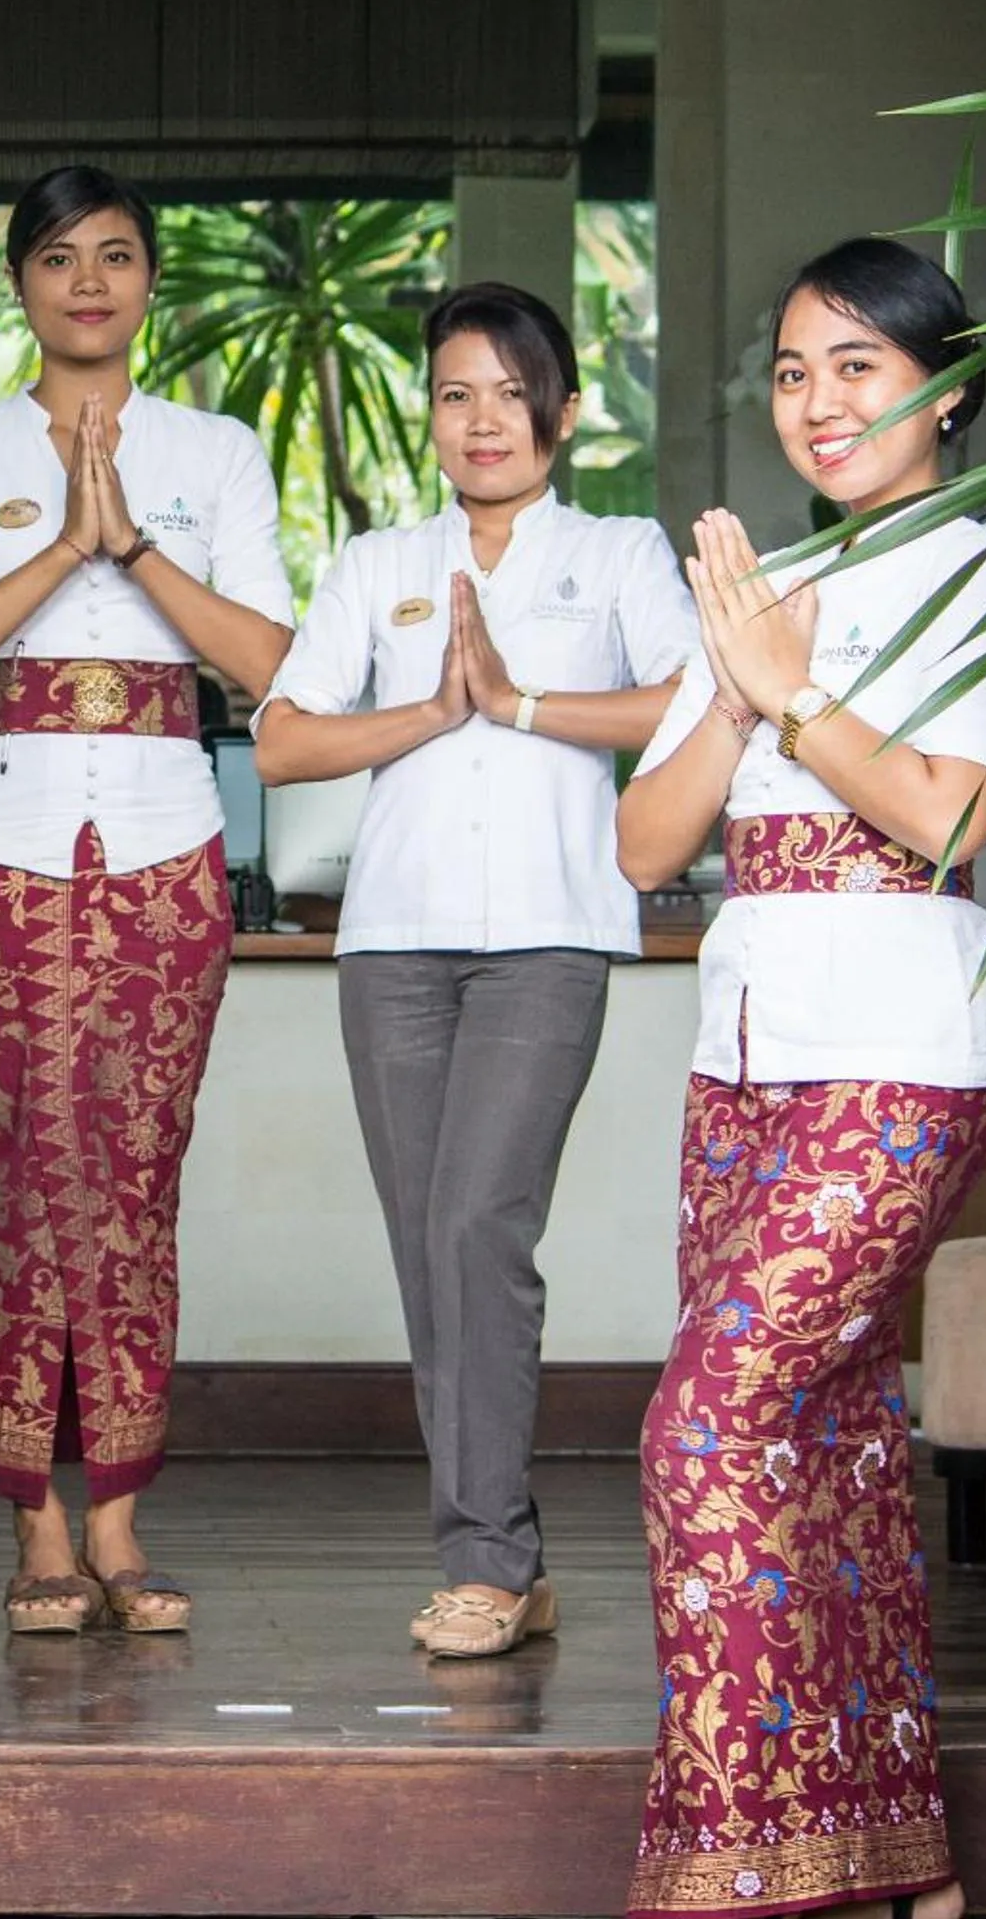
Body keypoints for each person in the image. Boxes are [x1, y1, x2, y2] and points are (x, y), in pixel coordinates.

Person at [568, 236, 986, 1919]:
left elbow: (943, 819)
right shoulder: (769, 587)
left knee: (707, 1427)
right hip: (747, 1056)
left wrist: (791, 690)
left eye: (857, 366)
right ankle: (896, 1888)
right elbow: (644, 845)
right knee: (823, 1453)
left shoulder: (983, 568)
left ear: (946, 390)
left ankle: (742, 1883)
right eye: (791, 371)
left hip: (903, 1053)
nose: (818, 403)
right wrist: (733, 677)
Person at [0, 165, 294, 1635]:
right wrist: (62, 540)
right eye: (59, 257)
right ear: (20, 283)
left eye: (117, 255)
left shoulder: (216, 453)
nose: (91, 282)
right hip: (1, 849)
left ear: (151, 279)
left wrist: (135, 544)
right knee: (5, 1167)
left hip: (166, 850)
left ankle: (118, 1516)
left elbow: (269, 663)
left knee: (135, 1171)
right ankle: (34, 1524)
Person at [254, 282, 698, 1657]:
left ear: (565, 410)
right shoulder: (377, 562)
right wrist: (434, 709)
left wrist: (517, 703)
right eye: (457, 394)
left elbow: (695, 703)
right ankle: (508, 1557)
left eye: (511, 392)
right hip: (393, 945)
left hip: (551, 940)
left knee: (476, 1229)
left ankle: (487, 1563)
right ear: (432, 416)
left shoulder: (618, 553)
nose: (483, 419)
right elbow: (281, 740)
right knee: (426, 1248)